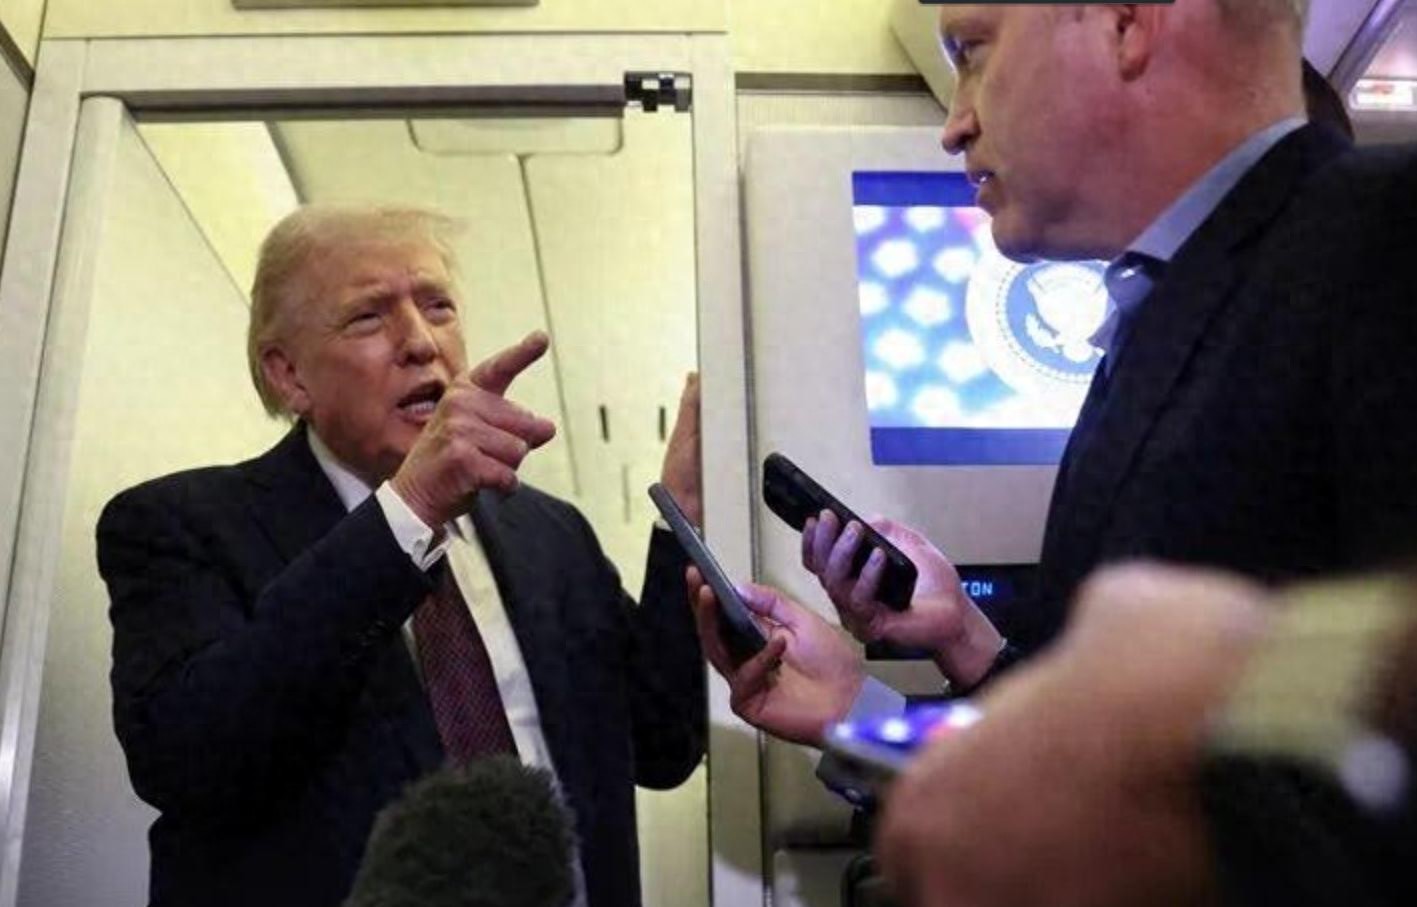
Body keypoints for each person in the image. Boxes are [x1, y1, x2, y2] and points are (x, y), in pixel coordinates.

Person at [691, 0, 1417, 902]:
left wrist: (1233, 672)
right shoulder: (1156, 321)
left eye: (972, 50)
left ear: (1126, 23)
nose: (955, 123)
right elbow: (1075, 783)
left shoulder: (1383, 237)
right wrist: (865, 715)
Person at [98, 206, 706, 907]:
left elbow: (662, 743)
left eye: (437, 306)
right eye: (367, 317)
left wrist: (682, 522)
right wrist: (408, 511)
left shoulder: (551, 534)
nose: (420, 342)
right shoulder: (180, 525)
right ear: (288, 374)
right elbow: (187, 760)